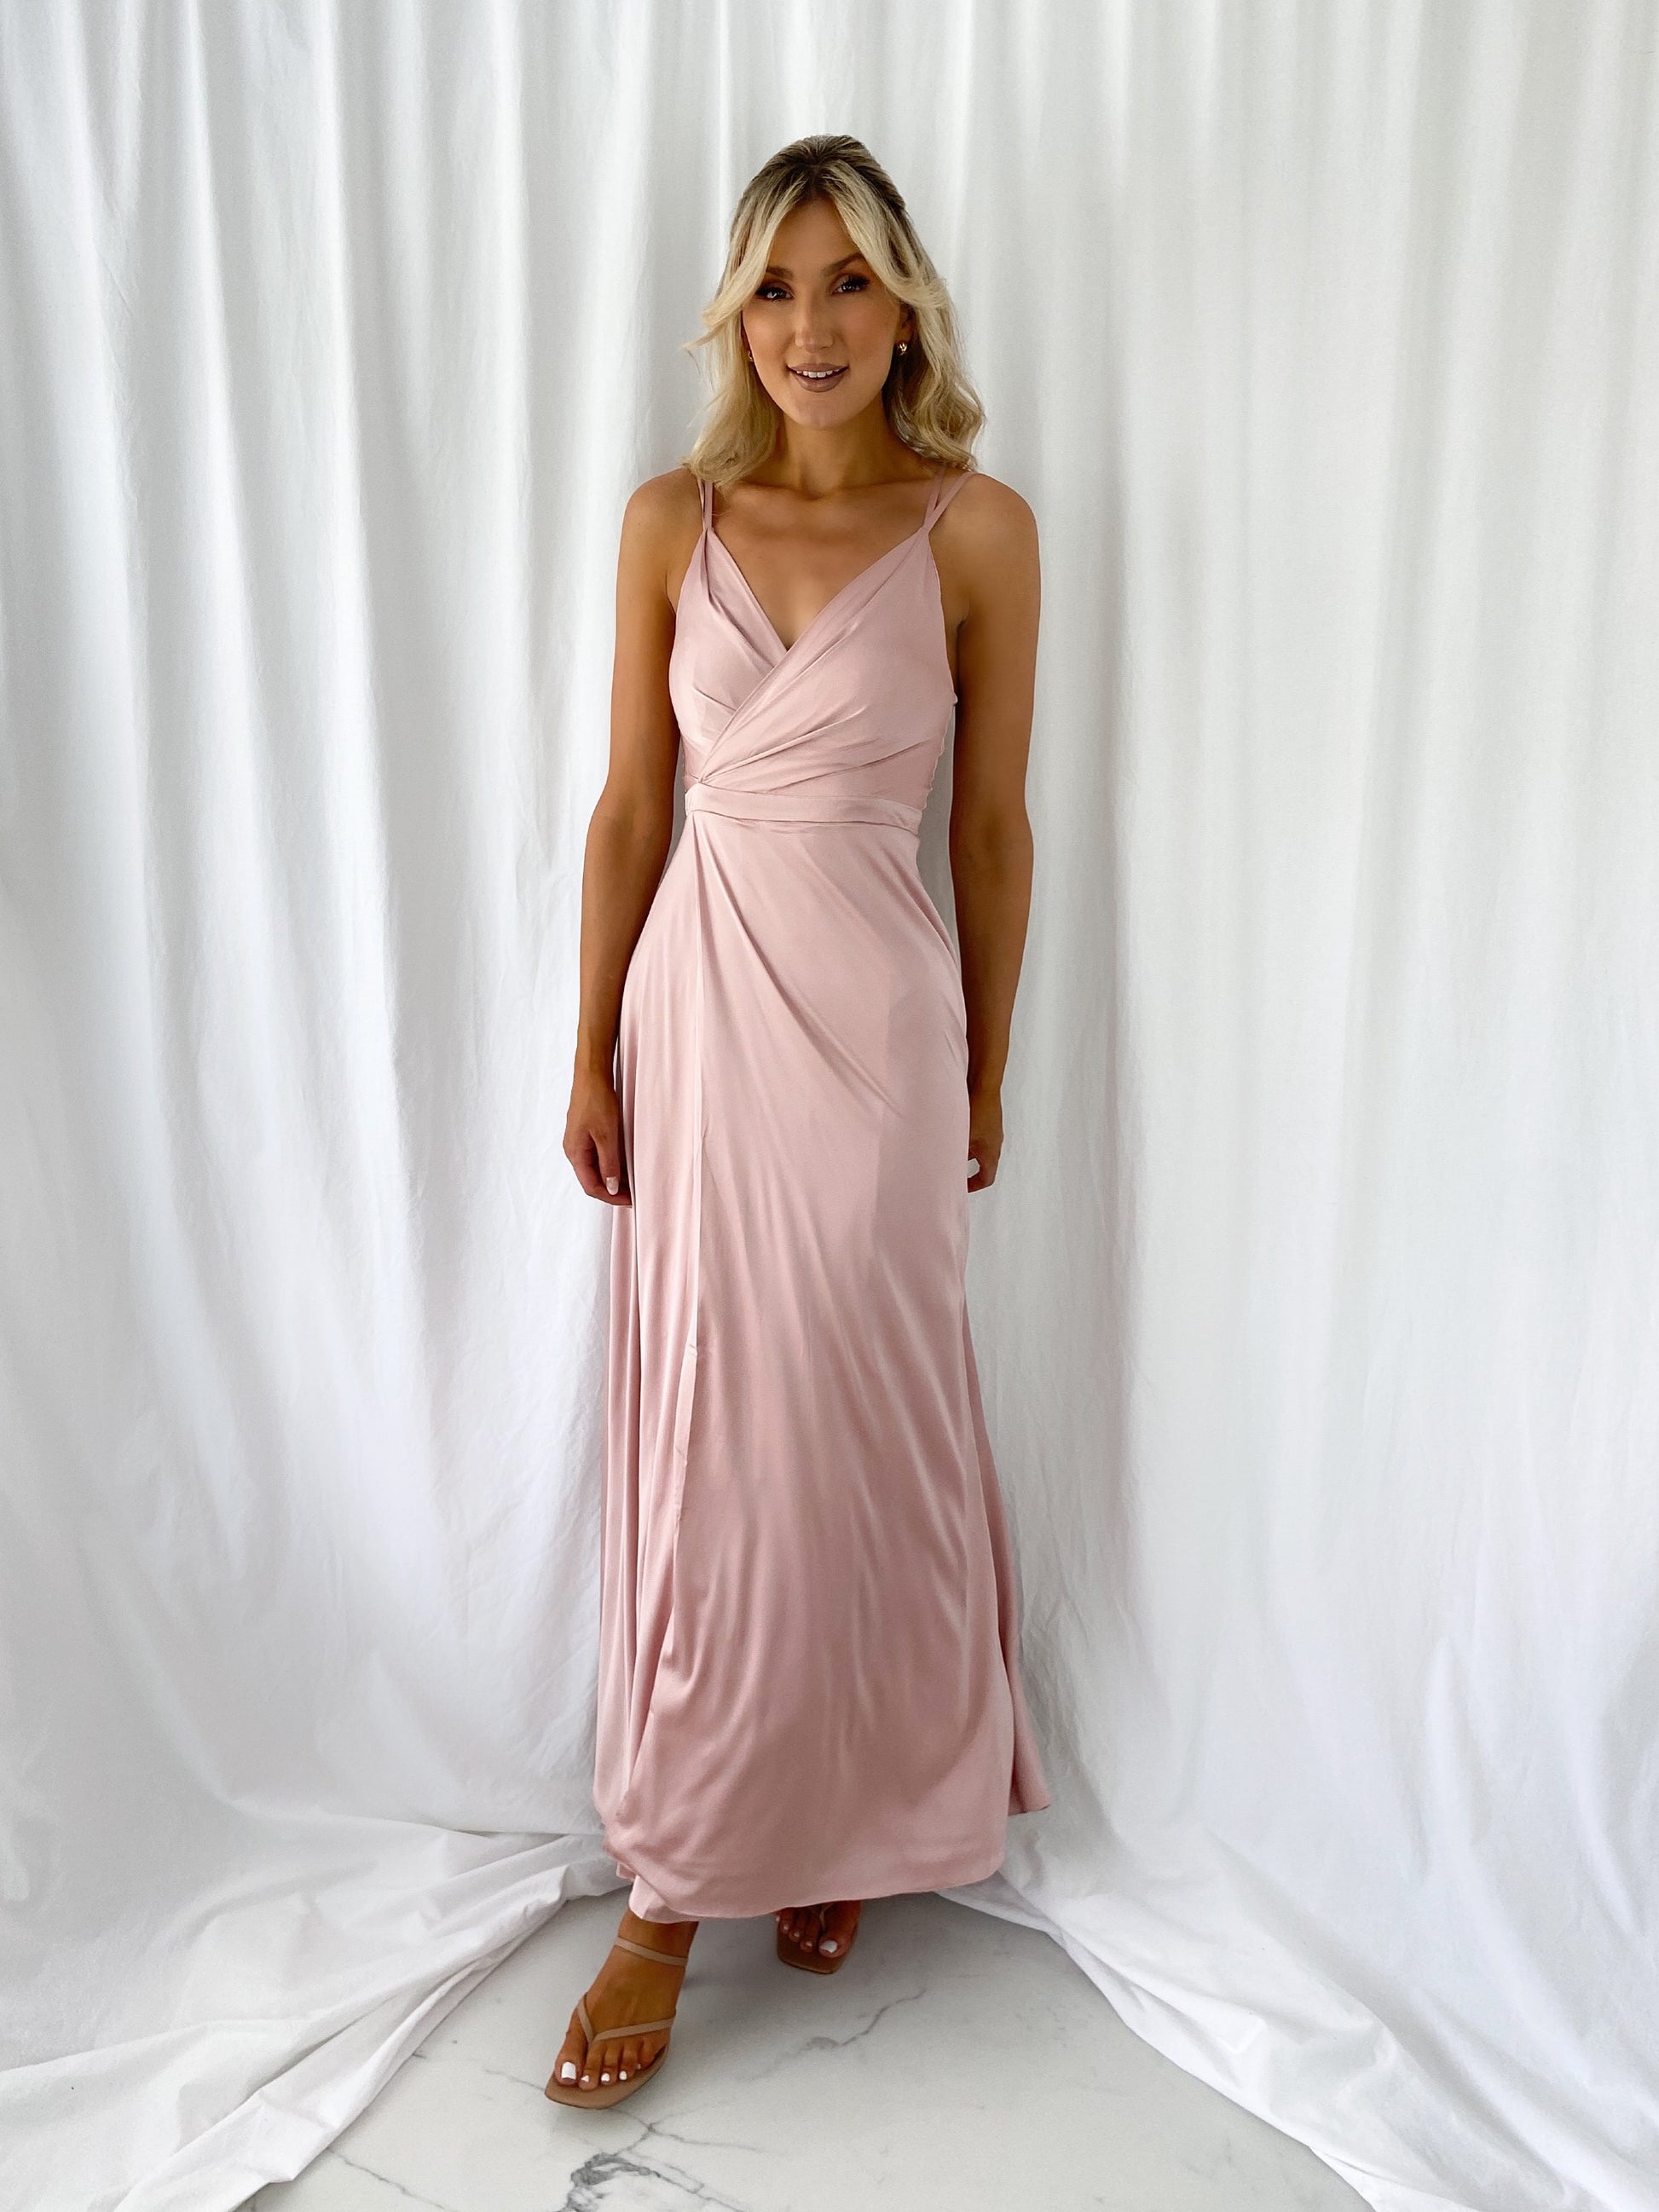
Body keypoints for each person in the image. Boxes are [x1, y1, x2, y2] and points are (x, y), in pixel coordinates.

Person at [547, 134, 1049, 2110]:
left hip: (881, 1028)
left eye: (848, 285)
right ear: (732, 314)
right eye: (777, 287)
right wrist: (590, 1048)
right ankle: (682, 1877)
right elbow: (627, 810)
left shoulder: (980, 529)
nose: (812, 326)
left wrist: (991, 1059)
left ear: (904, 303)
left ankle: (845, 1807)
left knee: (870, 1416)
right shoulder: (671, 516)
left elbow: (992, 828)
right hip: (699, 1016)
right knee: (717, 1441)